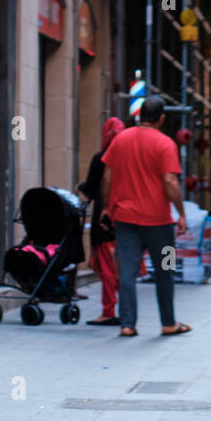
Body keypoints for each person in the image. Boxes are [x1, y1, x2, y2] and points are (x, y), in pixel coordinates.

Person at [100, 95, 191, 337]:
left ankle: (128, 325)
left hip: (125, 219)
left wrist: (107, 207)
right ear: (162, 118)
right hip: (159, 222)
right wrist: (180, 213)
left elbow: (107, 177)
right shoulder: (165, 144)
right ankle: (169, 323)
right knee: (166, 269)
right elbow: (170, 181)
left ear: (139, 115)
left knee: (127, 271)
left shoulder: (120, 139)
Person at [77, 117, 126, 325]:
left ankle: (109, 310)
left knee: (105, 265)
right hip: (126, 218)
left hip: (104, 220)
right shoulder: (128, 157)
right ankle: (125, 311)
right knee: (122, 265)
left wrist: (82, 188)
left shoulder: (101, 158)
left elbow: (90, 188)